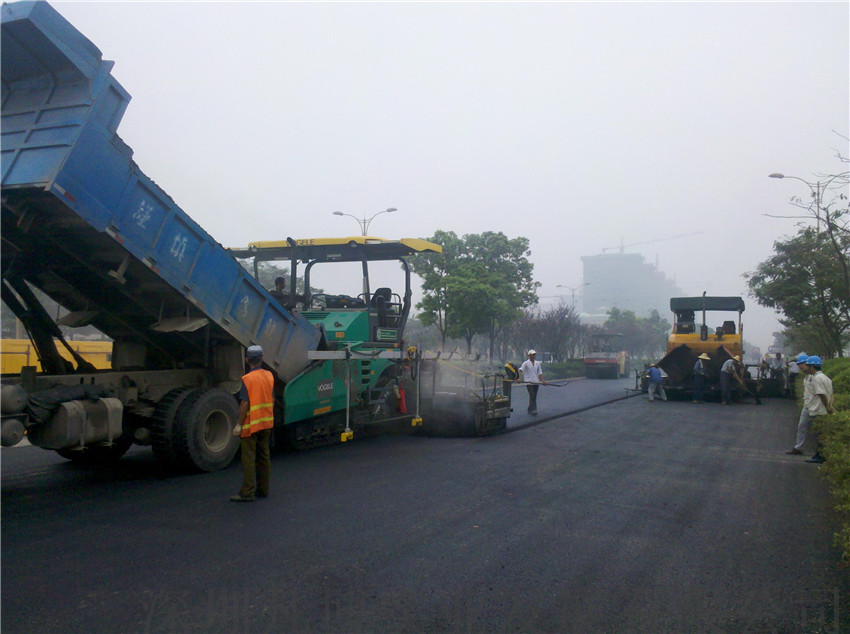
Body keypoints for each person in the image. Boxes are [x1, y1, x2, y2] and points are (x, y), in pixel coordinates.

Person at [231, 345, 275, 502]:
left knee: (249, 459)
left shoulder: (248, 379)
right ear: (262, 359)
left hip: (251, 425)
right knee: (264, 456)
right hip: (266, 423)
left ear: (247, 360)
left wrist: (238, 424)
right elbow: (272, 398)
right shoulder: (269, 375)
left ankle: (247, 492)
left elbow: (244, 404)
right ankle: (263, 490)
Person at [800, 356, 835, 464]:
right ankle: (818, 454)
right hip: (823, 410)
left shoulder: (816, 378)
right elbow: (831, 394)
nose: (807, 368)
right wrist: (830, 406)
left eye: (808, 366)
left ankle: (820, 456)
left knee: (818, 434)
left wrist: (827, 406)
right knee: (820, 433)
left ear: (812, 366)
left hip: (818, 410)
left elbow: (821, 394)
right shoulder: (826, 378)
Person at [785, 355, 811, 456]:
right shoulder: (806, 376)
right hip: (807, 405)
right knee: (801, 426)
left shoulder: (815, 377)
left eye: (801, 364)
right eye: (799, 364)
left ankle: (820, 452)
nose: (800, 366)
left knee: (816, 429)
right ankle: (799, 447)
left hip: (814, 406)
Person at [519, 349, 546, 415]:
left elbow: (540, 373)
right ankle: (534, 410)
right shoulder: (526, 363)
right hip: (528, 382)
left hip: (536, 382)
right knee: (532, 395)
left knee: (534, 396)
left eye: (534, 354)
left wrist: (542, 381)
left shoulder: (537, 363)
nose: (534, 356)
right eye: (533, 354)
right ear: (529, 355)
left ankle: (529, 409)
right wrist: (518, 378)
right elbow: (520, 370)